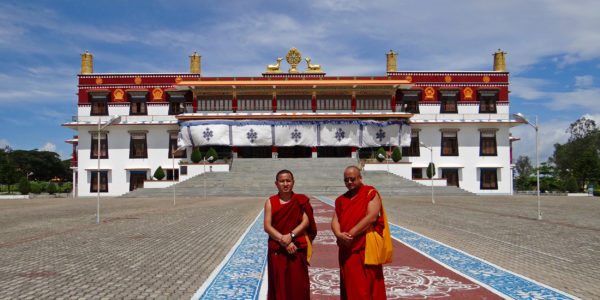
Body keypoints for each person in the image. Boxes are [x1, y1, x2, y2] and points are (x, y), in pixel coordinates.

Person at [331, 166, 387, 300]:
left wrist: (351, 234)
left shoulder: (370, 193)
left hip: (365, 247)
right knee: (351, 285)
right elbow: (335, 220)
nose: (349, 182)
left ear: (360, 178)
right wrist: (339, 234)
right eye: (346, 180)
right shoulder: (341, 200)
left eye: (352, 179)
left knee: (368, 285)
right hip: (347, 248)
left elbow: (372, 217)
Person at [264, 169, 317, 300]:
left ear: (293, 182)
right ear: (276, 184)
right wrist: (284, 240)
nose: (285, 184)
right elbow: (267, 226)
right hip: (278, 249)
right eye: (282, 181)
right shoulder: (271, 202)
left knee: (298, 284)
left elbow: (306, 222)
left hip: (296, 248)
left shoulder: (300, 200)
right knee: (279, 283)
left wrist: (291, 235)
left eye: (288, 181)